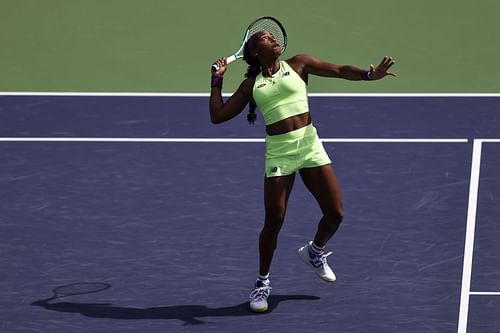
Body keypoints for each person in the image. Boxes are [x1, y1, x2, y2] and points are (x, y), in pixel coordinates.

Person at [209, 31, 396, 313]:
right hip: (280, 153)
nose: (274, 40)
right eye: (266, 38)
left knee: (336, 213)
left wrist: (369, 76)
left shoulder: (299, 64)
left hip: (309, 145)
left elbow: (338, 70)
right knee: (274, 219)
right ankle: (262, 283)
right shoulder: (252, 85)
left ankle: (314, 252)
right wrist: (217, 80)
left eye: (273, 37)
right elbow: (218, 116)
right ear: (255, 51)